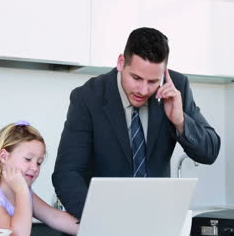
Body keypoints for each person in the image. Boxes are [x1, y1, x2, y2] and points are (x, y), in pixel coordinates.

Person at [52, 27, 221, 219]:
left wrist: (180, 121)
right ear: (121, 62)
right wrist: (98, 218)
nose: (143, 89)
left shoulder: (176, 87)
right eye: (136, 78)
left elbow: (210, 152)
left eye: (153, 81)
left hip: (157, 219)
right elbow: (67, 173)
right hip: (103, 220)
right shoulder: (88, 97)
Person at [0, 121, 79, 236]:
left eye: (39, 162)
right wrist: (21, 190)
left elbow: (54, 217)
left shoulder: (26, 193)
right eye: (28, 159)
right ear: (4, 157)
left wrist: (92, 231)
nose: (35, 167)